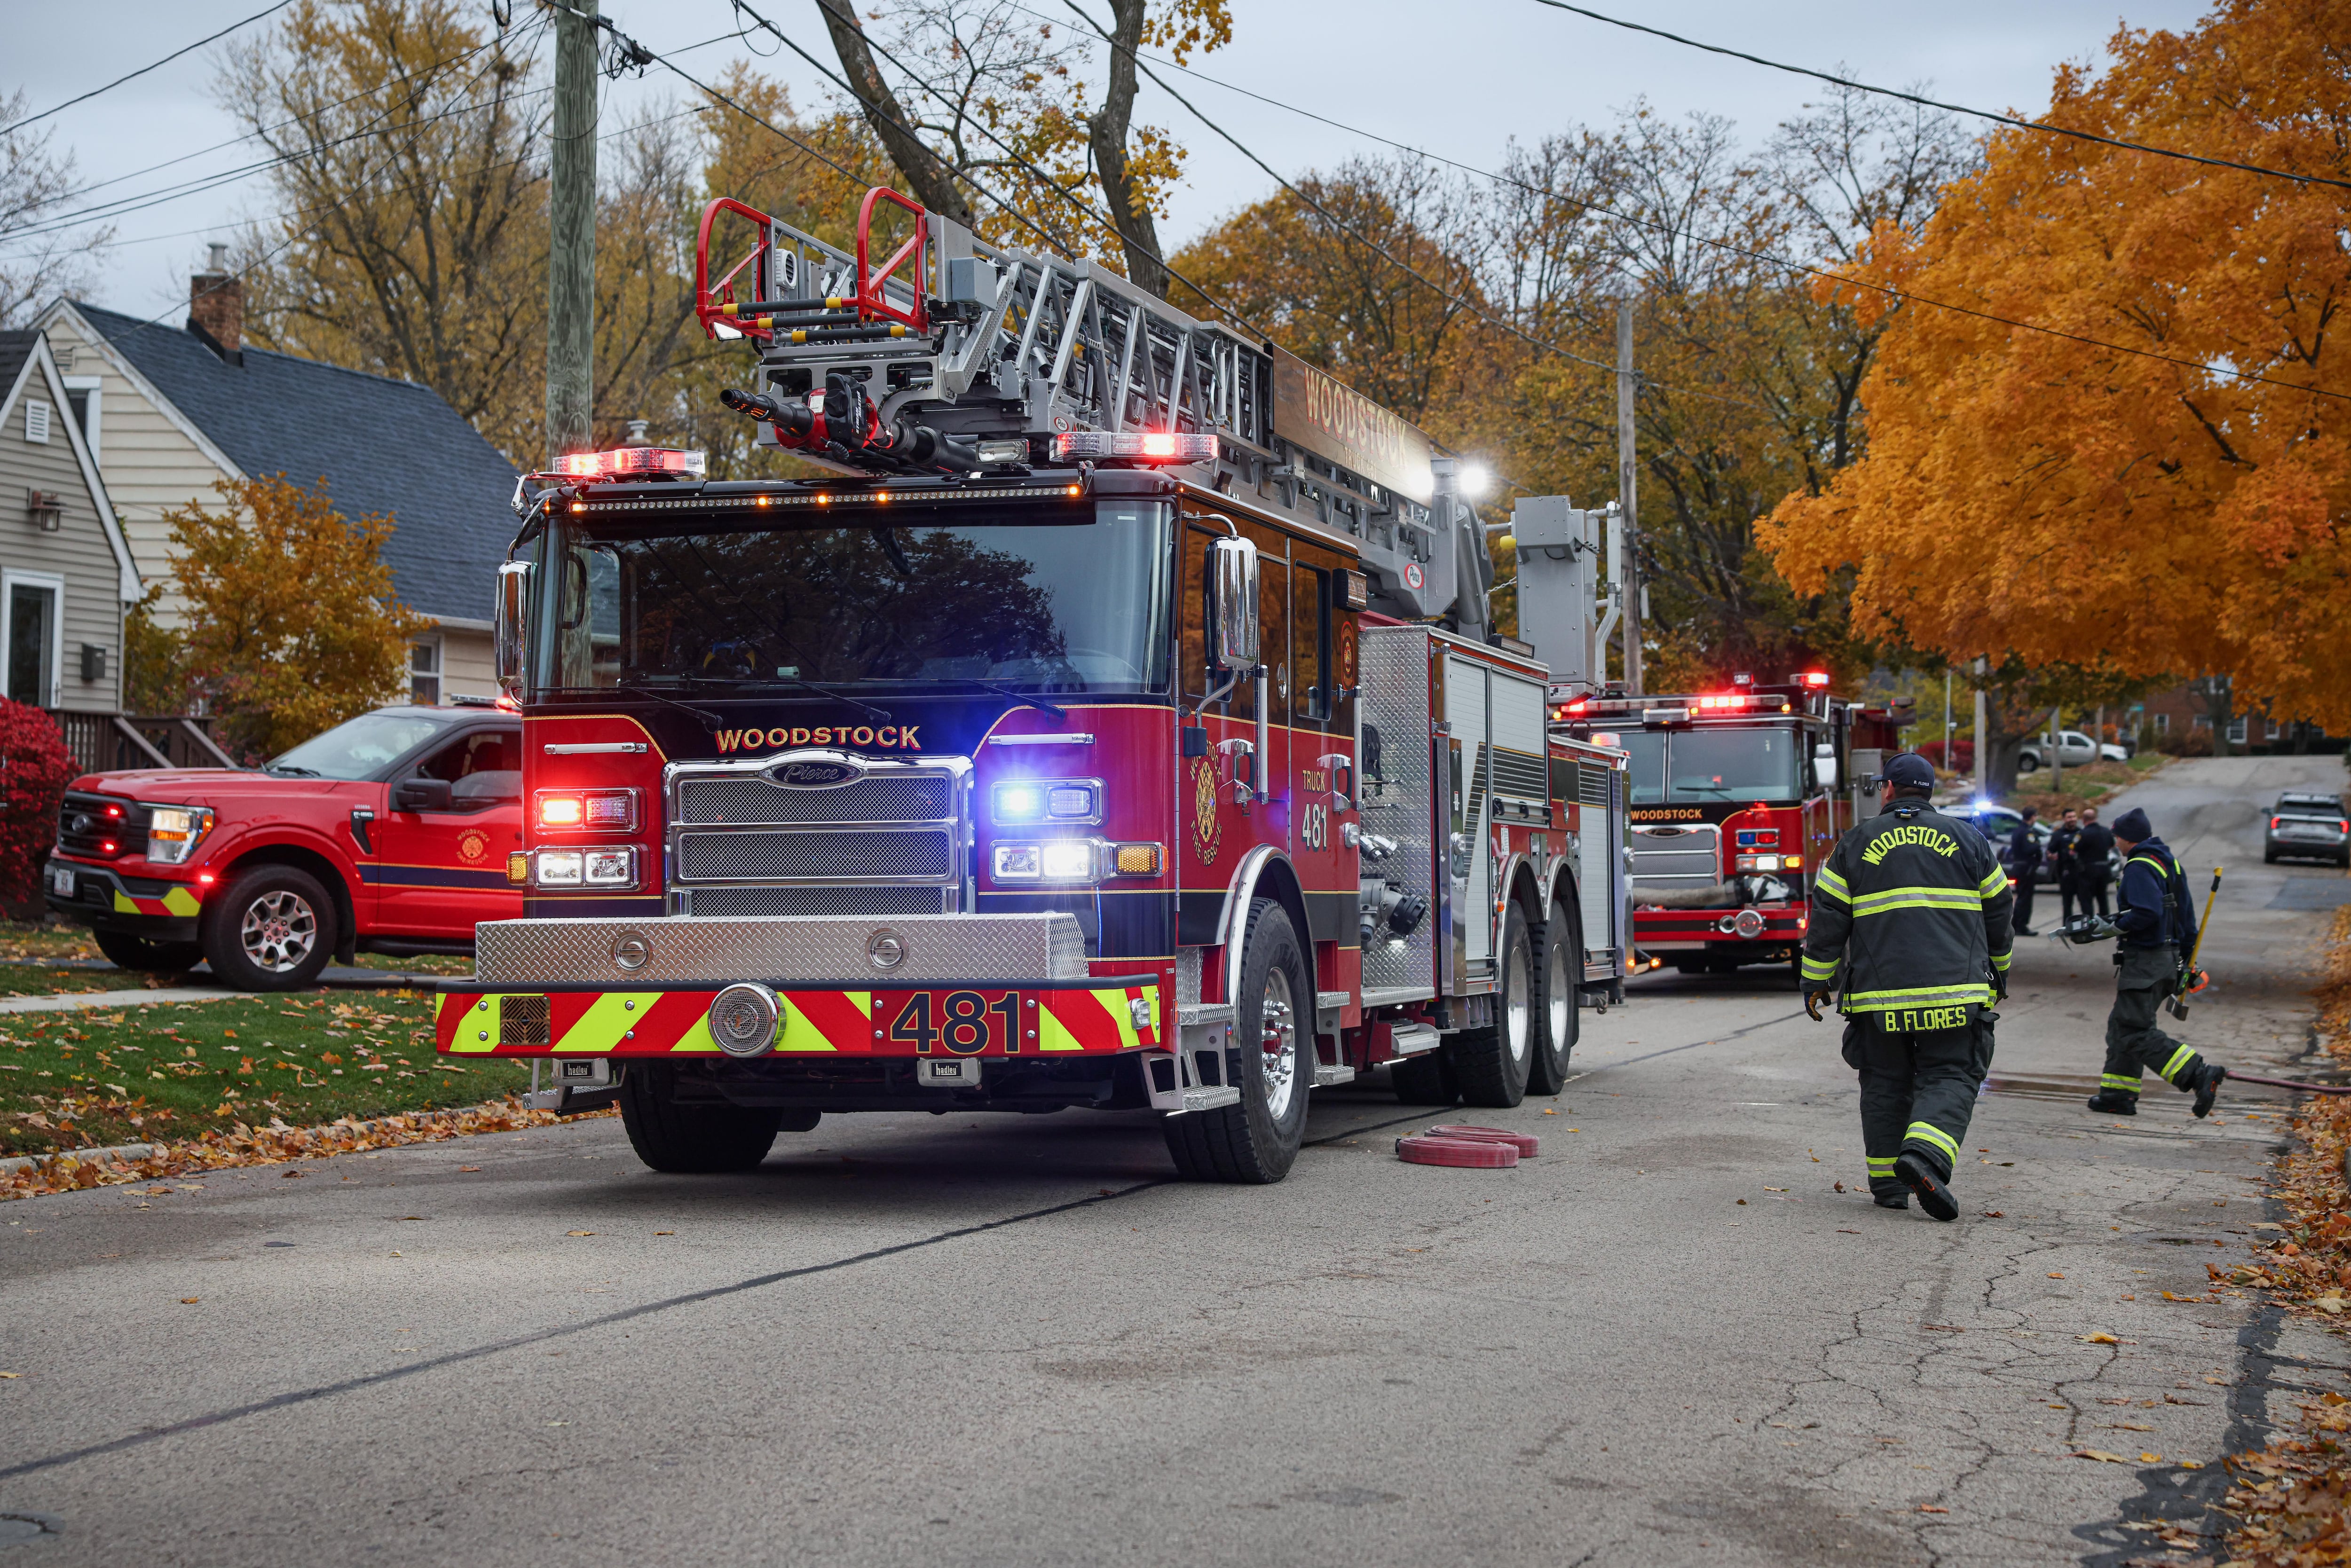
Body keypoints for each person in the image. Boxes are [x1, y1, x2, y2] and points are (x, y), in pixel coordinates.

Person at [1802, 752, 2013, 1221]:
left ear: (1889, 789)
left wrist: (1815, 979)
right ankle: (1924, 1156)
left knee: (1883, 1080)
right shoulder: (1970, 840)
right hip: (1954, 994)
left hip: (1878, 997)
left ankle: (1887, 1184)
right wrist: (1998, 971)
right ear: (1929, 791)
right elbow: (2000, 909)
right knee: (1952, 1072)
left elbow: (1828, 918)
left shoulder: (1854, 843)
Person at [2086, 806, 2226, 1117]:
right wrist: (2186, 961)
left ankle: (2199, 1074)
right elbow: (2187, 918)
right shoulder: (2168, 863)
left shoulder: (2139, 866)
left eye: (2117, 837)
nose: (2116, 843)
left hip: (2145, 963)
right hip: (2166, 959)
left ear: (2128, 838)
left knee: (2133, 1030)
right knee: (2124, 1025)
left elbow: (2147, 912)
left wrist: (2112, 927)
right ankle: (2117, 1095)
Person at [2008, 807, 2043, 935]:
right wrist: (2038, 845)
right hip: (2026, 868)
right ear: (2033, 817)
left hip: (2019, 867)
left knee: (2022, 896)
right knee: (2025, 897)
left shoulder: (2018, 830)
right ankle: (2021, 925)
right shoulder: (2027, 833)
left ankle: (2017, 924)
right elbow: (2030, 849)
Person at [2077, 806, 2115, 918]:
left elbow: (2074, 849)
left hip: (2089, 871)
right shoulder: (2106, 831)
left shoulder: (2083, 834)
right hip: (2105, 869)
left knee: (2086, 899)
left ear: (2083, 819)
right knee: (2102, 897)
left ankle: (2089, 922)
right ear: (2096, 818)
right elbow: (2112, 846)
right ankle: (2105, 921)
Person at [2049, 808, 2084, 922]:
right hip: (2066, 873)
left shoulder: (2081, 833)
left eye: (2074, 817)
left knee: (2085, 902)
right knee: (2067, 903)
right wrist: (2052, 856)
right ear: (2064, 819)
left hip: (2081, 872)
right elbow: (2051, 851)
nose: (2072, 819)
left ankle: (2087, 926)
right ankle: (2067, 926)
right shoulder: (2058, 835)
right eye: (2069, 817)